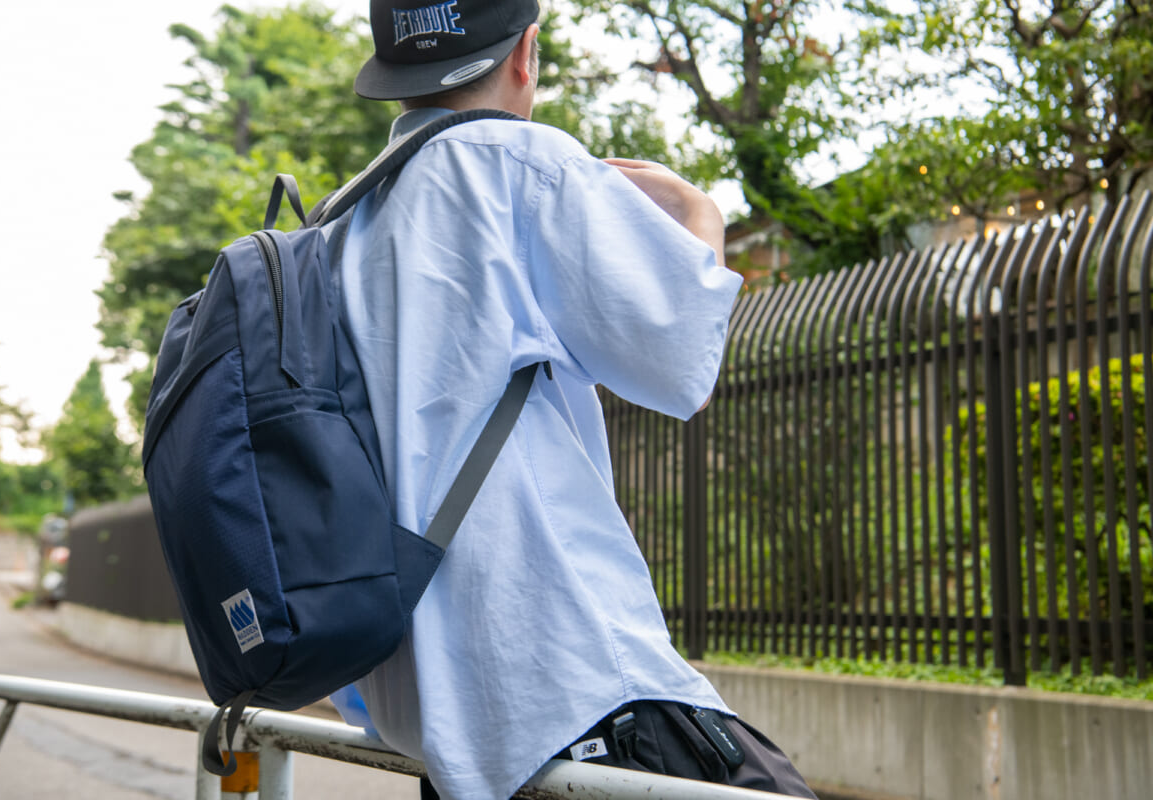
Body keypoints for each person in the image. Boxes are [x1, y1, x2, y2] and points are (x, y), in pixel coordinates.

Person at [330, 1, 817, 798]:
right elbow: (682, 367)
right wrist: (700, 215)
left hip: (431, 720)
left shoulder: (342, 225)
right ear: (526, 53)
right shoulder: (523, 164)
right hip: (568, 686)